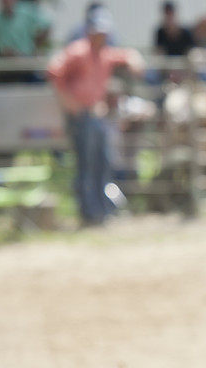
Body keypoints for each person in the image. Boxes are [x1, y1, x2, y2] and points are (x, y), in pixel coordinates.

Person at [47, 8, 144, 225]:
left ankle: (102, 212)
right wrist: (70, 104)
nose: (101, 36)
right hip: (82, 117)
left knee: (103, 162)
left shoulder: (105, 54)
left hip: (97, 116)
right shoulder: (77, 51)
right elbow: (54, 71)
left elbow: (127, 56)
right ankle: (88, 213)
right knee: (87, 165)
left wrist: (135, 59)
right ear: (90, 32)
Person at [0, 0, 51, 83]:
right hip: (7, 68)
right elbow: (2, 50)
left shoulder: (26, 13)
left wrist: (36, 47)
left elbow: (46, 26)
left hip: (26, 64)